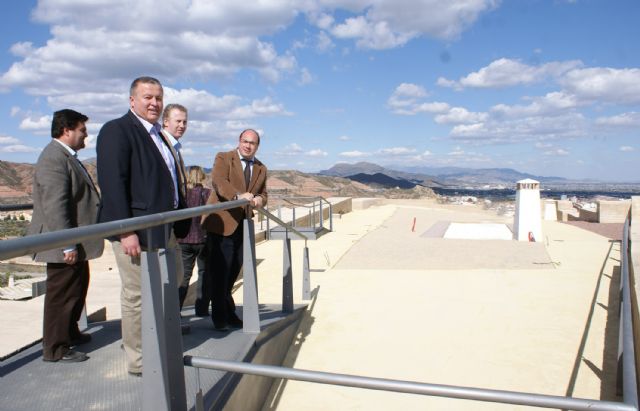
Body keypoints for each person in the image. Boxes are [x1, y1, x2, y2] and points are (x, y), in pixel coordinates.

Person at [96, 76, 188, 376]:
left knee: (170, 284)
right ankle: (139, 360)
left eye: (158, 98)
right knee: (136, 296)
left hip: (165, 228)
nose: (154, 103)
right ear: (132, 100)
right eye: (148, 97)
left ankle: (158, 342)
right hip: (136, 232)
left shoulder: (158, 135)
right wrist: (126, 230)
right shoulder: (117, 130)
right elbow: (112, 183)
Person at [28, 109, 104, 363]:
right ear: (66, 129)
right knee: (61, 296)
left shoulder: (66, 156)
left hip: (75, 242)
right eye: (82, 130)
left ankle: (71, 332)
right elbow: (56, 205)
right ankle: (56, 349)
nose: (86, 136)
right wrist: (67, 243)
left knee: (77, 288)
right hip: (62, 244)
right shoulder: (53, 158)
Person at [202, 129, 268, 331]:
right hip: (221, 223)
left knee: (234, 270)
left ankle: (227, 310)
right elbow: (219, 182)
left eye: (253, 143)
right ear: (239, 141)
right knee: (220, 271)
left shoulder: (261, 168)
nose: (248, 145)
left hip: (243, 224)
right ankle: (221, 316)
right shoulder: (224, 157)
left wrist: (259, 199)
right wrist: (237, 196)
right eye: (245, 141)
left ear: (258, 146)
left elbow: (264, 193)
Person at [177, 166, 212, 315]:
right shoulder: (207, 193)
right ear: (203, 177)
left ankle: (175, 309)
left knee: (184, 276)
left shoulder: (182, 194)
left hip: (184, 240)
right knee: (204, 274)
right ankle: (202, 309)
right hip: (202, 239)